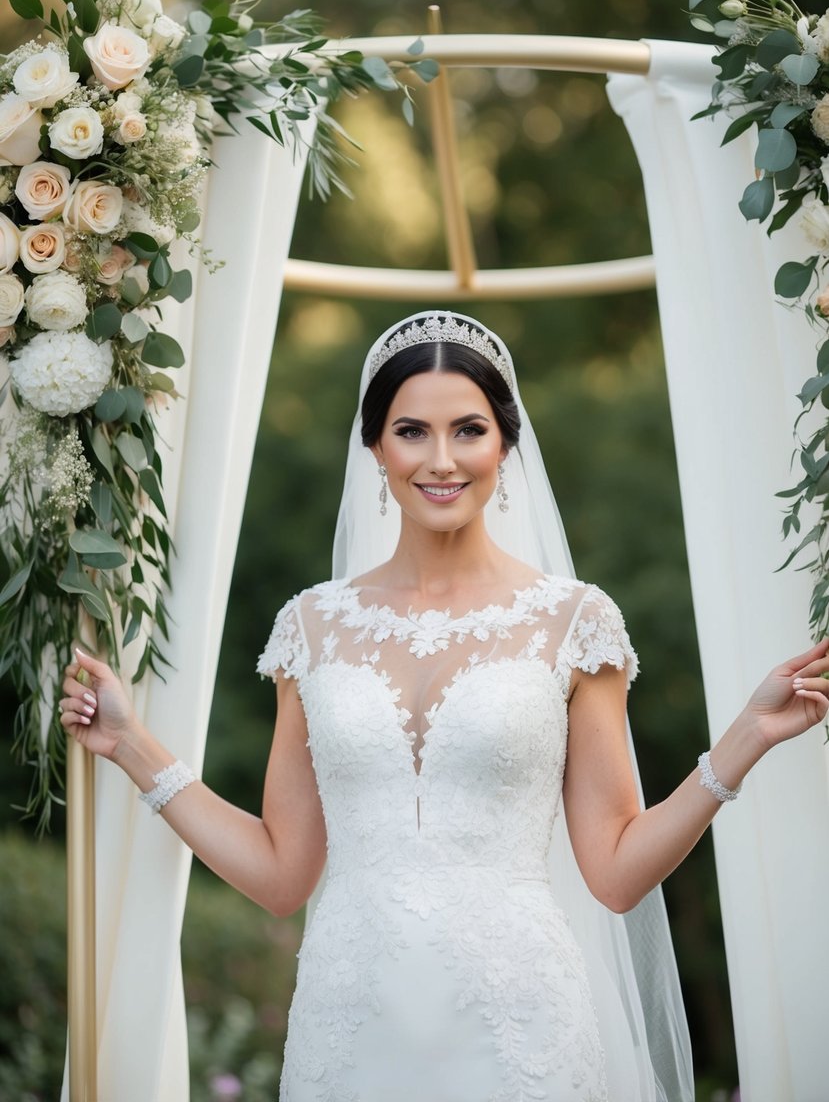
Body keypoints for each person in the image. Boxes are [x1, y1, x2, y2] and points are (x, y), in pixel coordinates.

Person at [61, 310, 829, 1102]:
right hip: (349, 1021)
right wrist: (130, 745)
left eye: (467, 430)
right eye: (410, 431)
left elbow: (615, 875)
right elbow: (282, 874)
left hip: (520, 1024)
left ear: (505, 443)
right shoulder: (311, 627)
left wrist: (746, 737)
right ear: (374, 448)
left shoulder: (573, 622)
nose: (440, 460)